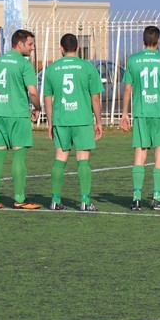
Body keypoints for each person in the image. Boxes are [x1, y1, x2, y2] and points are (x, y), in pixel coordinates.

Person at [43, 33, 104, 211]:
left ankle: (55, 200)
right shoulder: (88, 67)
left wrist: (50, 122)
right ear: (77, 48)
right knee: (83, 160)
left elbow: (47, 98)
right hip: (82, 119)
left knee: (60, 158)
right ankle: (85, 201)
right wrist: (99, 121)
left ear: (61, 49)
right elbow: (95, 97)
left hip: (61, 119)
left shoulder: (52, 69)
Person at [0, 29, 42, 209]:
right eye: (30, 44)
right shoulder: (24, 64)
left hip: (0, 114)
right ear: (20, 44)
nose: (33, 48)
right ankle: (20, 199)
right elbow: (32, 91)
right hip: (18, 115)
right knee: (18, 156)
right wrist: (37, 108)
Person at [121, 25, 160, 210]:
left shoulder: (133, 60)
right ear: (159, 41)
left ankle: (136, 198)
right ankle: (157, 198)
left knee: (140, 154)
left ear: (143, 40)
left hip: (141, 112)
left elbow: (127, 89)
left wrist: (124, 113)